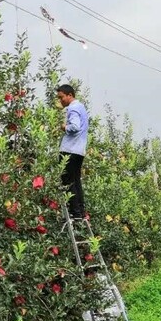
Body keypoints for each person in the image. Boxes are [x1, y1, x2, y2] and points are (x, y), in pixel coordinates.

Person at [57, 84, 89, 219]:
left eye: (61, 97)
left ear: (70, 95)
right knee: (76, 181)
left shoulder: (73, 108)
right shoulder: (81, 107)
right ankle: (80, 212)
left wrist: (65, 127)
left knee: (68, 182)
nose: (60, 101)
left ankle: (75, 214)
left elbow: (74, 127)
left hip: (69, 150)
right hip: (79, 151)